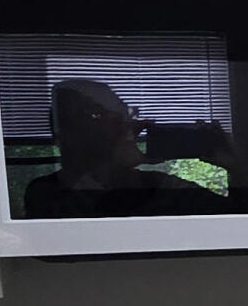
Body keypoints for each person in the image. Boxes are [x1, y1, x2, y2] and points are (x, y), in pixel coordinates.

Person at [22, 78, 226, 218]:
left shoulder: (161, 185)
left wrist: (235, 167)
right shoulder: (46, 192)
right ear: (66, 136)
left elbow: (232, 218)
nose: (122, 123)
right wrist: (109, 169)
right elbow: (56, 249)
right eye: (97, 114)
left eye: (121, 113)